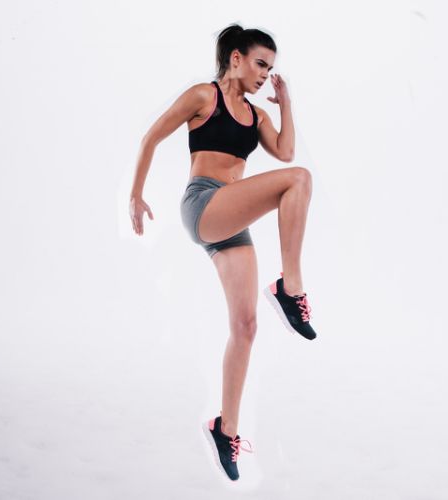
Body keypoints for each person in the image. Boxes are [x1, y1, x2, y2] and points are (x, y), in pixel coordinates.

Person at [129, 23, 317, 481]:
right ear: (236, 58)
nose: (265, 75)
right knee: (299, 180)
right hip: (203, 204)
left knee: (246, 326)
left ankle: (225, 428)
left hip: (231, 221)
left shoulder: (257, 115)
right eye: (260, 64)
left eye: (270, 68)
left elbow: (285, 150)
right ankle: (290, 288)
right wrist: (135, 194)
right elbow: (151, 137)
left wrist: (285, 104)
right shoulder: (203, 96)